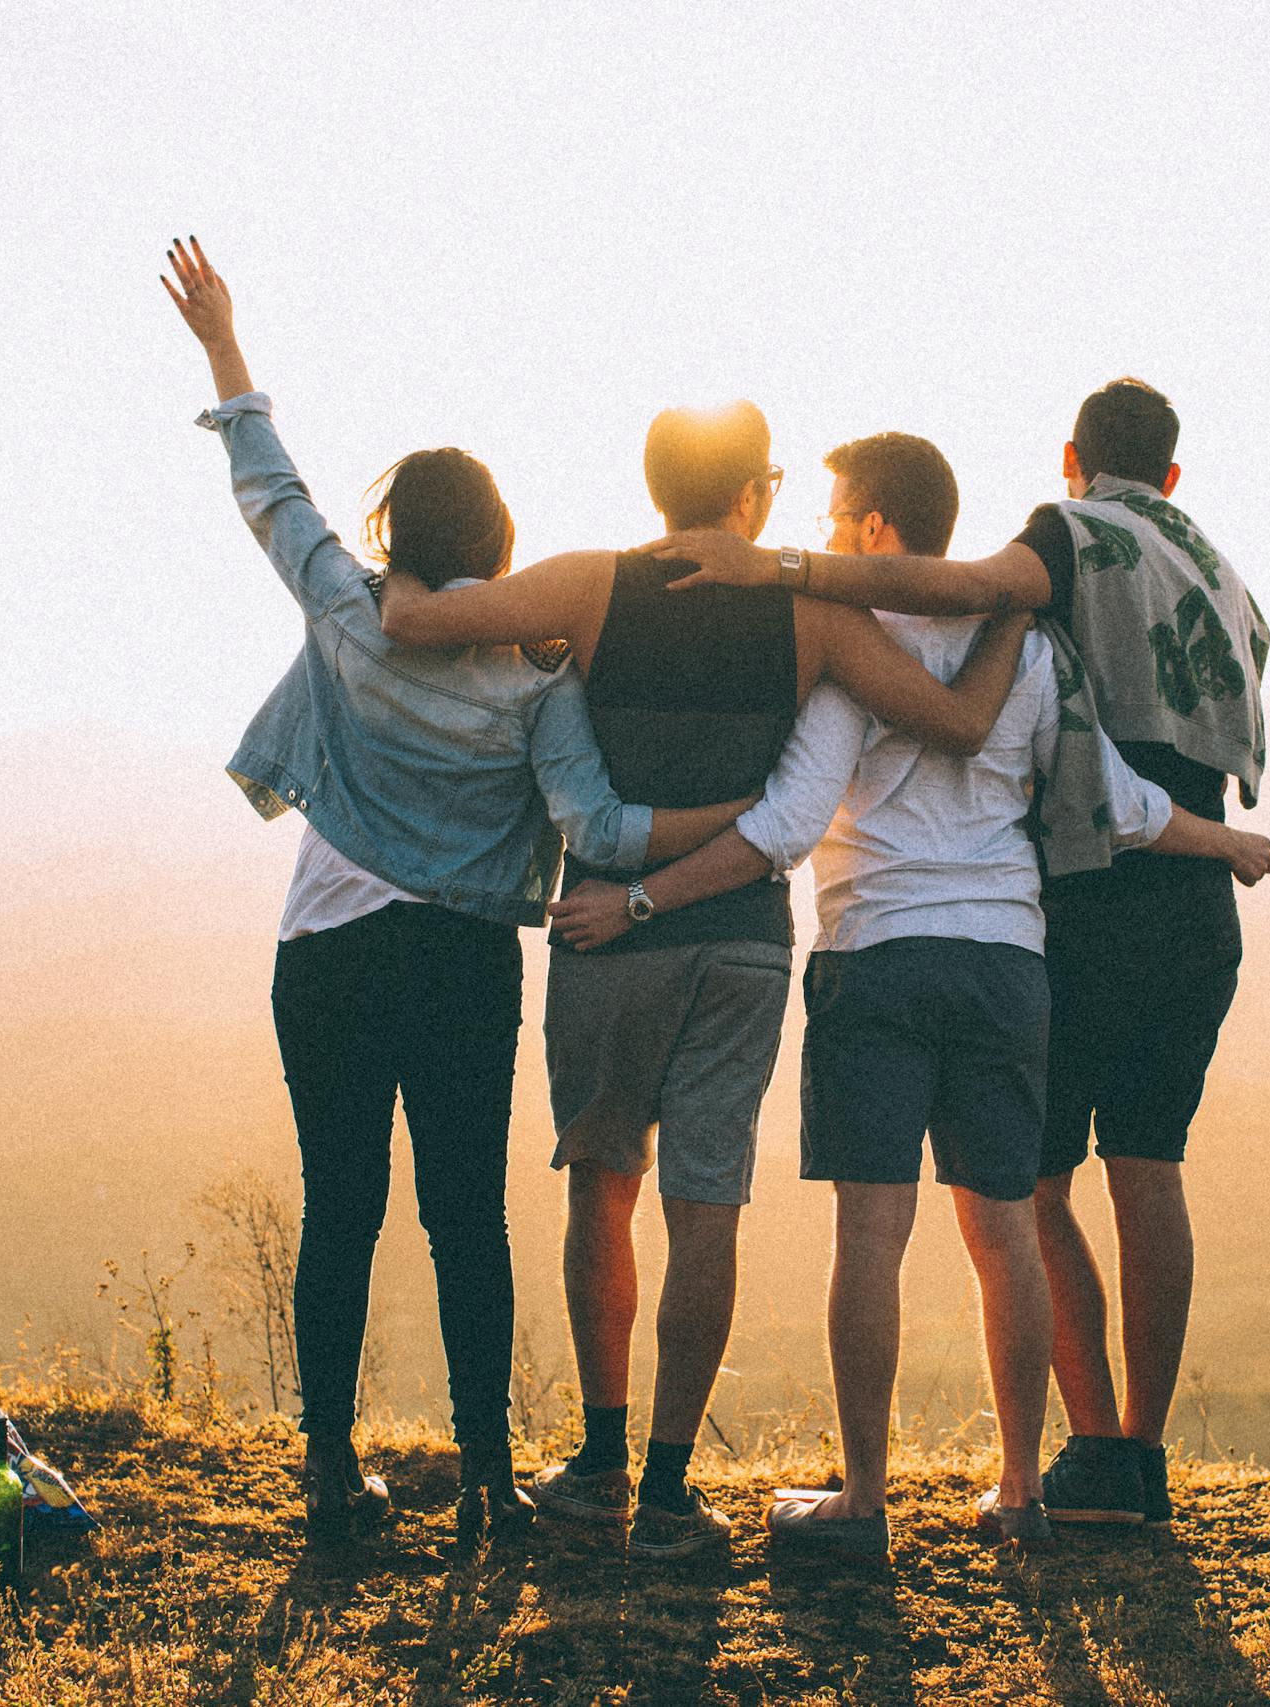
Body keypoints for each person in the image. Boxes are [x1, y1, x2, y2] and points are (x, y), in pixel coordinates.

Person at [549, 433, 1270, 1561]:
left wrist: (639, 899)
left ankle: (865, 1502)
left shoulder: (852, 654)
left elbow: (785, 828)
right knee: (1004, 1233)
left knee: (870, 1236)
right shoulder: (1024, 651)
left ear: (879, 529)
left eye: (841, 517)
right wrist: (1224, 840)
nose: (829, 536)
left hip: (877, 957)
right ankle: (1022, 1491)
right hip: (1007, 964)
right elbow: (1117, 799)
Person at [162, 238, 756, 1551]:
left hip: (325, 945)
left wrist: (222, 342)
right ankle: (487, 1476)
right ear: (499, 543)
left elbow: (271, 490)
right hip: (465, 963)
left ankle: (329, 1469)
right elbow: (596, 824)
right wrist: (751, 818)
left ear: (394, 535)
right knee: (465, 1216)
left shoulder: (349, 610)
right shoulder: (535, 673)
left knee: (340, 1206)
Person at [379, 407, 1028, 1560]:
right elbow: (956, 723)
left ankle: (597, 1463)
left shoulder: (586, 587)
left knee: (601, 1183)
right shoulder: (810, 614)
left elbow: (425, 619)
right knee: (705, 1204)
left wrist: (396, 570)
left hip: (602, 938)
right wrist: (1018, 606)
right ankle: (672, 1492)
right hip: (739, 940)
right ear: (750, 501)